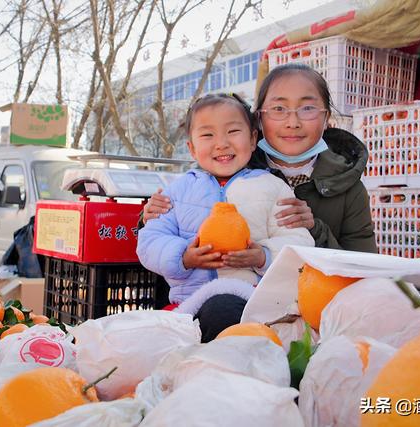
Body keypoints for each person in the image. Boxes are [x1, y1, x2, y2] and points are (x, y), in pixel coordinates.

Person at [143, 63, 377, 253]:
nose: (292, 122)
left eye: (307, 108)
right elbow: (180, 217)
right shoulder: (227, 165)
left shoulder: (349, 187)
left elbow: (363, 266)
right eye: (278, 109)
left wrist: (315, 228)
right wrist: (152, 214)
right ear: (258, 120)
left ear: (327, 118)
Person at [136, 93, 314, 341]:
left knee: (225, 315)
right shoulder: (176, 191)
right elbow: (150, 241)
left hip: (251, 302)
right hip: (189, 303)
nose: (221, 143)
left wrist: (263, 256)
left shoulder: (273, 188)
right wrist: (183, 256)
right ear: (192, 147)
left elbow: (299, 243)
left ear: (253, 140)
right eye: (208, 135)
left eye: (233, 131)